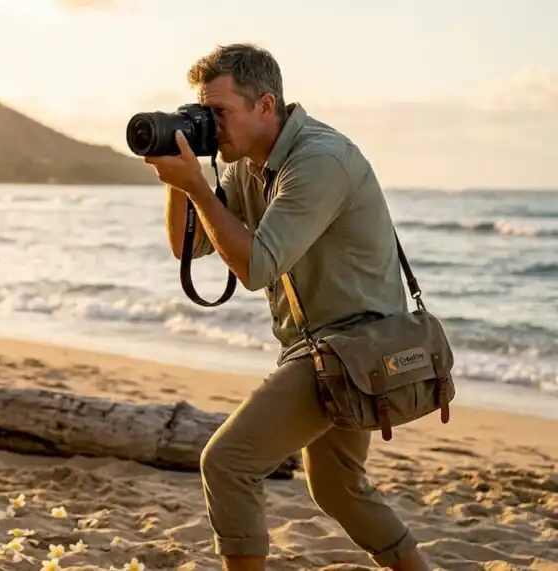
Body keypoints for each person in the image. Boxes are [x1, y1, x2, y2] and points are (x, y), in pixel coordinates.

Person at [143, 44, 431, 571]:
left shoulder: (319, 161)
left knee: (227, 463)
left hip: (356, 350)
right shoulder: (248, 163)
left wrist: (197, 188)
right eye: (204, 112)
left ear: (265, 106)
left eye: (220, 113)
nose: (211, 124)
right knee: (338, 488)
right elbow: (191, 246)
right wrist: (178, 181)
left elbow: (255, 268)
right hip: (321, 347)